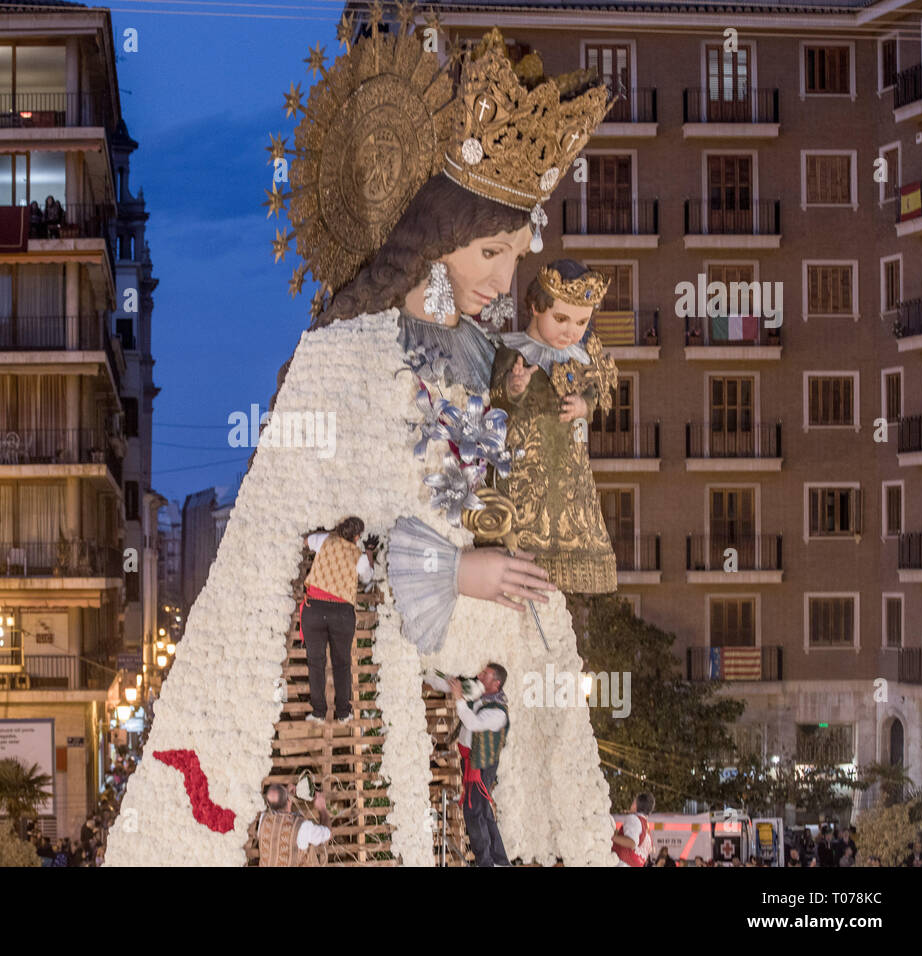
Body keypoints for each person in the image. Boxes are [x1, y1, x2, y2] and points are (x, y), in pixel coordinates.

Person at [104, 22, 616, 867]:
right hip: (361, 727)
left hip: (470, 706)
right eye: (490, 250)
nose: (502, 278)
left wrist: (551, 443)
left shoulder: (488, 358)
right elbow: (298, 543)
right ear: (437, 231)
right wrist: (455, 571)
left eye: (516, 255)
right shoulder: (342, 354)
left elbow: (496, 481)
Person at [487, 259, 619, 594]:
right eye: (561, 319)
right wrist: (515, 387)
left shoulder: (581, 356)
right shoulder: (511, 350)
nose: (571, 331)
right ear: (535, 307)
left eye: (581, 322)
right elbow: (498, 393)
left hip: (568, 464)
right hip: (524, 465)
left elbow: (592, 396)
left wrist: (582, 406)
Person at [425, 664, 511, 867]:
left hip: (482, 764)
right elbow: (449, 684)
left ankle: (486, 863)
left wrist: (459, 699)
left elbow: (472, 723)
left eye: (485, 674)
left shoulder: (498, 712)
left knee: (473, 811)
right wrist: (429, 674)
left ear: (496, 683)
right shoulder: (478, 692)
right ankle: (500, 861)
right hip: (471, 761)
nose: (480, 675)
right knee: (483, 812)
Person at [299, 516, 375, 724]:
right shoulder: (357, 555)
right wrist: (369, 552)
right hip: (341, 612)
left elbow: (306, 541)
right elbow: (367, 576)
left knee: (316, 662)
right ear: (357, 536)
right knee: (341, 663)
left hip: (314, 607)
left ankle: (318, 712)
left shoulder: (325, 540)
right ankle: (343, 712)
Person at [256, 782, 331, 867]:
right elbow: (327, 834)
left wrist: (286, 797)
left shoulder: (263, 819)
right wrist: (322, 808)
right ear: (288, 800)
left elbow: (281, 818)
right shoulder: (302, 827)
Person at [611, 792, 654, 867]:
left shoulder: (634, 818)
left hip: (622, 863)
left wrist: (610, 836)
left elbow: (632, 842)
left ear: (635, 805)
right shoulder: (646, 828)